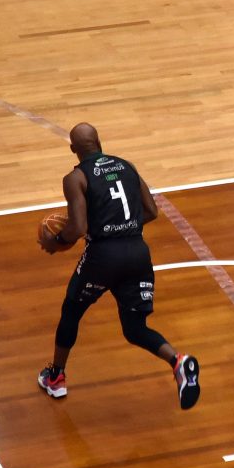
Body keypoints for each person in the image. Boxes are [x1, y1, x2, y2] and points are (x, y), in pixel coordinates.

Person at [36, 123, 200, 410]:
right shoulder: (127, 166)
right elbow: (151, 211)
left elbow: (78, 228)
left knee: (72, 310)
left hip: (103, 257)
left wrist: (56, 241)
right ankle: (178, 362)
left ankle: (56, 377)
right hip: (137, 253)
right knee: (135, 328)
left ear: (73, 149)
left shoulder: (75, 178)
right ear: (99, 141)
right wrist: (124, 226)